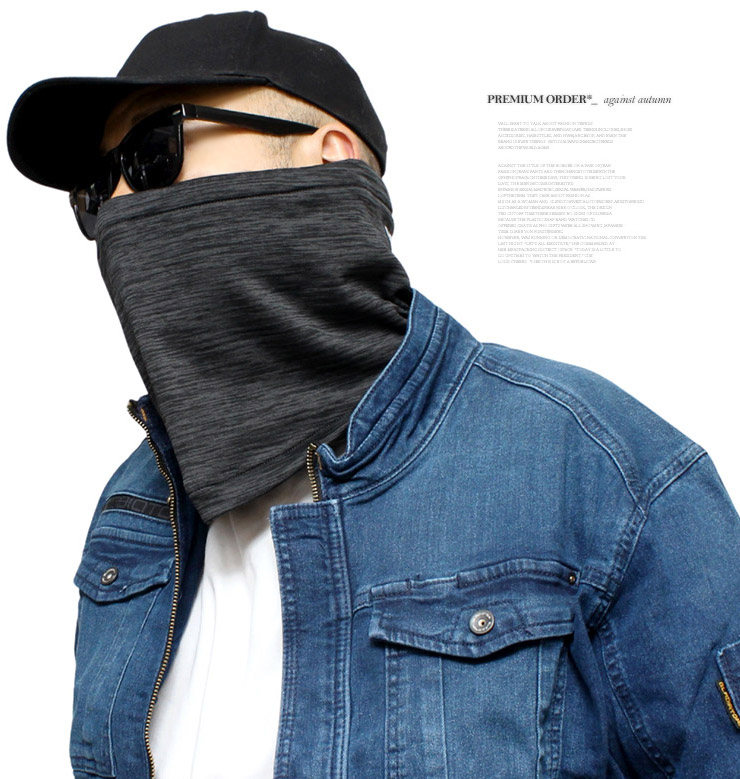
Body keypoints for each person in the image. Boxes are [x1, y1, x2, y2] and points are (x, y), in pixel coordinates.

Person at [7, 10, 740, 779]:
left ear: (330, 159)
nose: (122, 204)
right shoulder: (133, 515)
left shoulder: (599, 470)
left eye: (154, 152)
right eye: (96, 190)